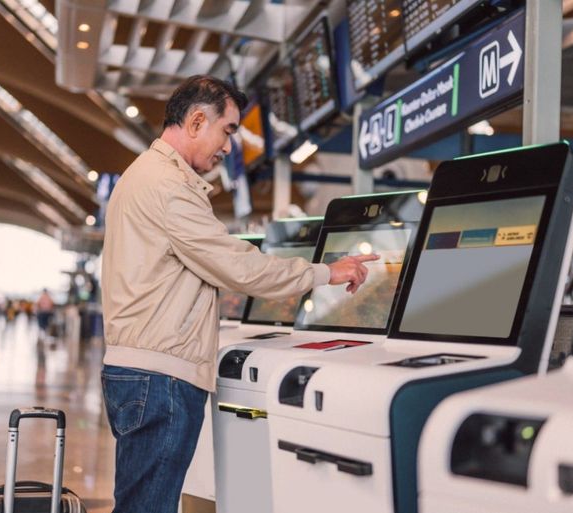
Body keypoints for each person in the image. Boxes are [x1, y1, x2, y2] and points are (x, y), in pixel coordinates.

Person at [101, 75, 378, 513]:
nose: (229, 146)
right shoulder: (169, 188)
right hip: (162, 379)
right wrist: (328, 272)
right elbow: (241, 268)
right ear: (196, 121)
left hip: (139, 370)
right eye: (228, 130)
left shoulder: (142, 176)